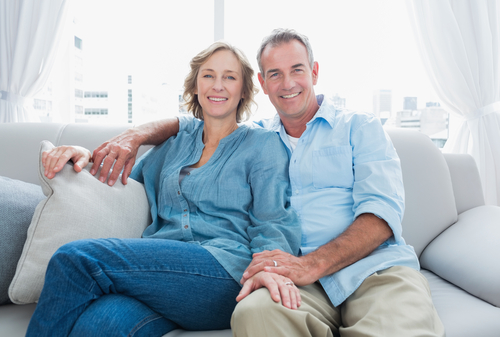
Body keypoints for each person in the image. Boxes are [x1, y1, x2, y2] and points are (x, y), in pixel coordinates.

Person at [73, 29, 445, 337]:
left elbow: (381, 215)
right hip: (292, 276)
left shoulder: (359, 128)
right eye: (274, 74)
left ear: (314, 71)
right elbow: (199, 126)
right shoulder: (254, 139)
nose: (287, 83)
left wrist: (313, 264)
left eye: (296, 70)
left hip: (371, 269)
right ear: (263, 85)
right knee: (254, 315)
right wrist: (133, 135)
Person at [28, 41, 302, 337]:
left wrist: (270, 269)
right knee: (97, 325)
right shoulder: (172, 145)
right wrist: (81, 156)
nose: (218, 85)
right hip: (161, 277)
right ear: (196, 86)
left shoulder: (262, 145)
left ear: (245, 89)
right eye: (208, 75)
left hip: (224, 273)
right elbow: (119, 185)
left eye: (230, 77)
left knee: (75, 258)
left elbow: (273, 220)